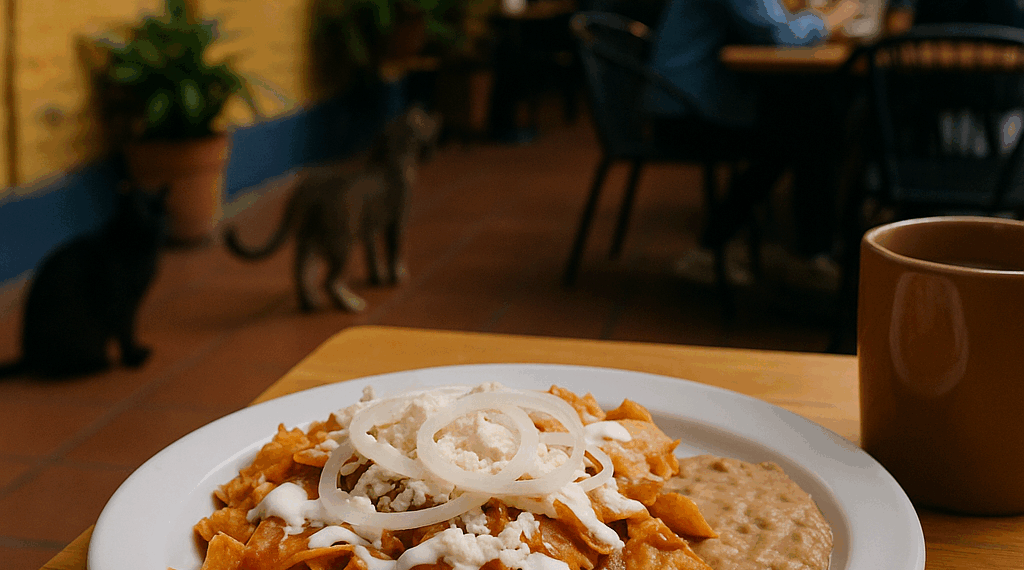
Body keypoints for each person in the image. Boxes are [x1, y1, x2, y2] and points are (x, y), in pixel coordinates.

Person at [645, 0, 860, 285]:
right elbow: (780, 35)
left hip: (698, 103)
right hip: (685, 113)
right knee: (807, 134)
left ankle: (809, 252)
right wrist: (834, 16)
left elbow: (775, 23)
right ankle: (807, 255)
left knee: (809, 126)